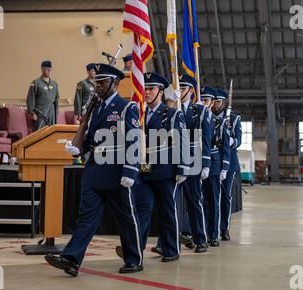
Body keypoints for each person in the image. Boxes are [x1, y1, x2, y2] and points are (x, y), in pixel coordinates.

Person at [45, 63, 143, 276]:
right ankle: (71, 260)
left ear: (114, 84)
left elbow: (134, 140)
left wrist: (130, 171)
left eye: (102, 82)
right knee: (86, 218)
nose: (97, 86)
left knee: (126, 217)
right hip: (94, 170)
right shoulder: (96, 108)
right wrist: (78, 145)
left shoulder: (127, 107)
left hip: (117, 171)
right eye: (97, 82)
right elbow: (90, 140)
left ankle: (134, 259)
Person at [117, 72, 189, 262]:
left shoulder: (172, 114)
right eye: (145, 88)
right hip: (143, 171)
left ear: (161, 91)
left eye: (151, 89)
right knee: (142, 210)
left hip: (165, 170)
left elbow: (182, 141)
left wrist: (182, 168)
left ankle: (171, 250)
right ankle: (135, 249)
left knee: (167, 211)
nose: (147, 92)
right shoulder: (138, 115)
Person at [177, 74, 212, 253]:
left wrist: (206, 163)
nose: (179, 91)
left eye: (182, 88)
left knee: (194, 201)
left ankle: (200, 239)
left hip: (192, 161)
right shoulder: (170, 109)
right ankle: (166, 242)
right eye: (177, 87)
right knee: (170, 203)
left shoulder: (199, 111)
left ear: (191, 91)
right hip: (173, 161)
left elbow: (205, 138)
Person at [200, 86, 230, 247]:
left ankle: (213, 234)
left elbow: (225, 146)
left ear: (212, 103)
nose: (203, 104)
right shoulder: (196, 119)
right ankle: (201, 233)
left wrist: (224, 168)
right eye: (201, 100)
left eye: (206, 100)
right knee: (201, 202)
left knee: (213, 201)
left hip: (214, 165)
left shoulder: (220, 122)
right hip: (197, 164)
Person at [215, 89, 242, 241]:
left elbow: (238, 140)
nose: (215, 104)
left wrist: (230, 141)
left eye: (218, 102)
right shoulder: (209, 116)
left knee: (225, 195)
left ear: (224, 102)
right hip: (213, 161)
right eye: (213, 101)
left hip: (229, 163)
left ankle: (224, 228)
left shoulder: (234, 118)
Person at [26, 60, 59, 130]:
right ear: (42, 69)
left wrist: (56, 112)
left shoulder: (54, 83)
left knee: (51, 132)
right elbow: (30, 98)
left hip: (52, 112)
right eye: (47, 69)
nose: (49, 71)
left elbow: (56, 99)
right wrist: (32, 113)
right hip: (40, 113)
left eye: (50, 69)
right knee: (39, 132)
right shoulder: (36, 83)